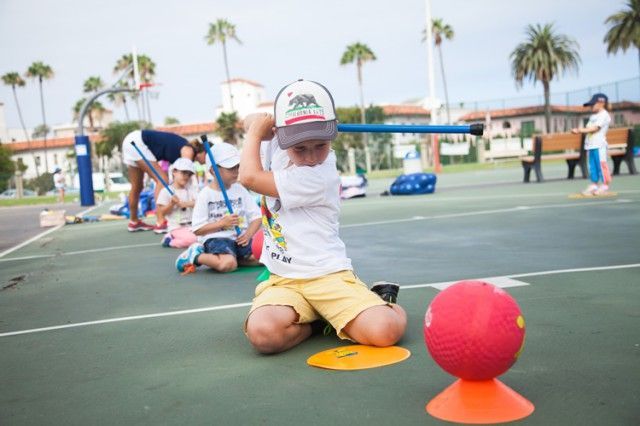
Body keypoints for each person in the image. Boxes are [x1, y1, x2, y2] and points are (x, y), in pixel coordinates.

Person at [238, 79, 407, 354]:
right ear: (281, 136)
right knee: (262, 335)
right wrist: (255, 123)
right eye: (300, 148)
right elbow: (247, 121)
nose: (311, 156)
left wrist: (255, 133)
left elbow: (249, 177)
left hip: (327, 276)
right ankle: (320, 321)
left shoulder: (320, 175)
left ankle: (382, 301)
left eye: (320, 145)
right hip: (283, 279)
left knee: (384, 331)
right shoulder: (280, 143)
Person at [175, 142, 262, 274]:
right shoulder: (205, 194)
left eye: (237, 166)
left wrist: (248, 234)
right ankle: (195, 255)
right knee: (228, 265)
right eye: (230, 168)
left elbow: (256, 217)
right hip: (217, 238)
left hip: (239, 238)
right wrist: (222, 223)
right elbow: (197, 229)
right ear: (212, 171)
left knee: (263, 258)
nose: (236, 171)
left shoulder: (240, 189)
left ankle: (236, 257)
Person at [121, 130, 207, 232]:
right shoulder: (189, 150)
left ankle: (134, 222)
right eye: (209, 157)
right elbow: (185, 172)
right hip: (138, 142)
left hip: (131, 141)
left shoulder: (187, 147)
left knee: (137, 186)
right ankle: (161, 221)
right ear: (204, 152)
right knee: (162, 180)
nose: (208, 162)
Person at [572, 93, 612, 196]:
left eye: (592, 104)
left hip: (599, 145)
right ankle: (594, 184)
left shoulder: (604, 115)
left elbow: (595, 128)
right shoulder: (593, 116)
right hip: (591, 145)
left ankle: (605, 185)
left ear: (601, 103)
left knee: (601, 165)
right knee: (592, 166)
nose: (591, 107)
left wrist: (580, 130)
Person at [156, 158, 198, 249]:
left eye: (189, 174)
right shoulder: (166, 191)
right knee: (193, 240)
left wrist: (186, 204)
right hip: (176, 227)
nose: (186, 176)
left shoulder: (192, 190)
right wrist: (171, 204)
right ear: (174, 172)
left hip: (192, 226)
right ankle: (170, 240)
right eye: (183, 172)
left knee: (205, 238)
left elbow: (199, 203)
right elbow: (162, 212)